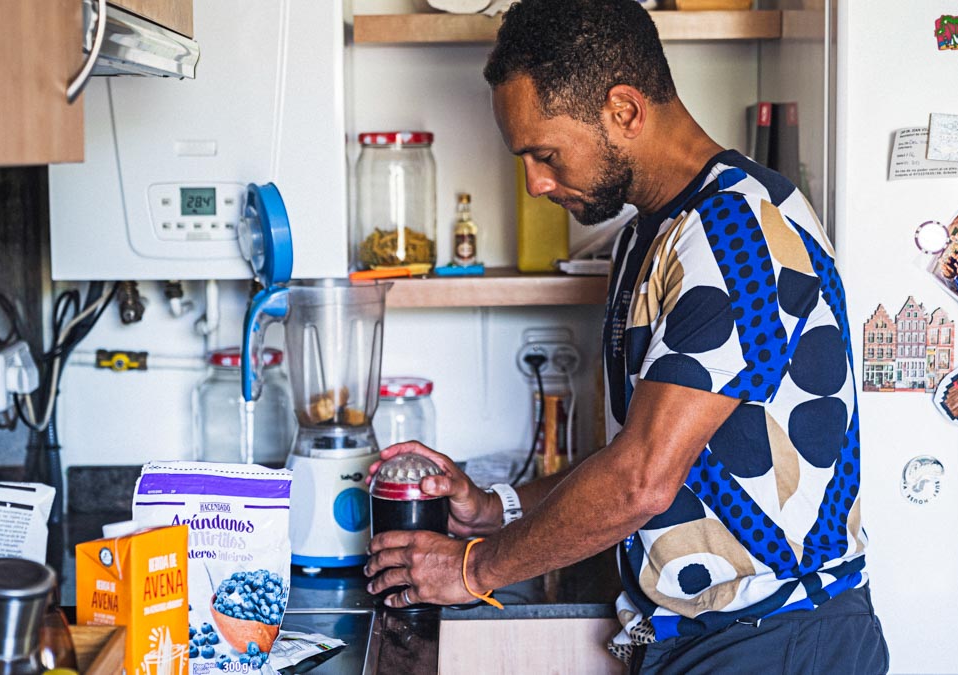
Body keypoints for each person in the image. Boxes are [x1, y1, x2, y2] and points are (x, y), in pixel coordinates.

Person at [363, 1, 888, 672]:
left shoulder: (734, 235)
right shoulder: (651, 234)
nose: (536, 183)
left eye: (545, 154)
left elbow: (641, 480)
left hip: (775, 639)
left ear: (624, 110)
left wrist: (475, 567)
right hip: (717, 635)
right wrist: (498, 507)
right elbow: (633, 455)